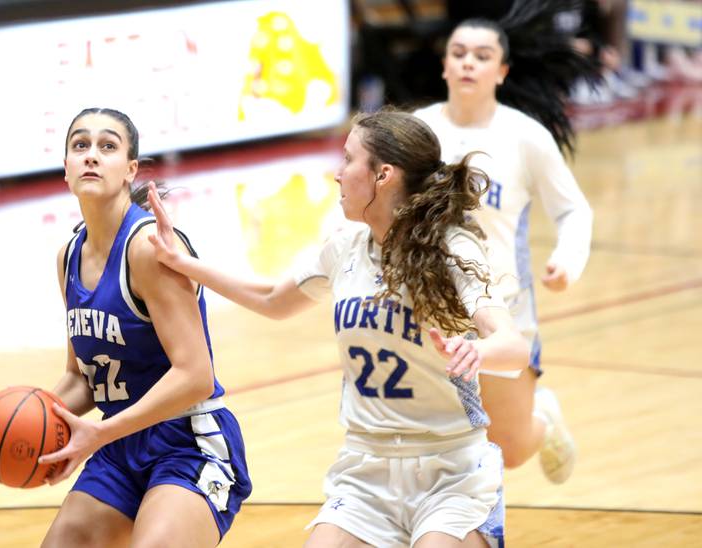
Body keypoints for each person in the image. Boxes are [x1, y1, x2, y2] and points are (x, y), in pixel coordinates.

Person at [147, 109, 530, 547]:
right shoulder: (344, 248)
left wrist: (478, 352)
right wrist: (183, 263)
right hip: (366, 471)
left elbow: (512, 345)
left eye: (348, 160)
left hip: (451, 470)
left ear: (383, 175)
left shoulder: (453, 248)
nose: (337, 173)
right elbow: (273, 299)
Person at [36, 107, 252, 547]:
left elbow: (195, 376)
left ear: (130, 169)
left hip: (188, 440)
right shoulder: (68, 257)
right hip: (120, 442)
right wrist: (37, 420)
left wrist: (99, 432)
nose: (91, 156)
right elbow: (83, 378)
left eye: (107, 146)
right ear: (65, 168)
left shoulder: (148, 248)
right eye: (80, 146)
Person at [413, 4, 595, 484]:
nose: (469, 61)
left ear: (502, 70)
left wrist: (566, 261)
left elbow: (574, 210)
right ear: (445, 65)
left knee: (510, 449)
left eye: (481, 54)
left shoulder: (525, 137)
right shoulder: (418, 130)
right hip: (425, 311)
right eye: (459, 52)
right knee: (439, 445)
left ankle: (545, 414)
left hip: (502, 309)